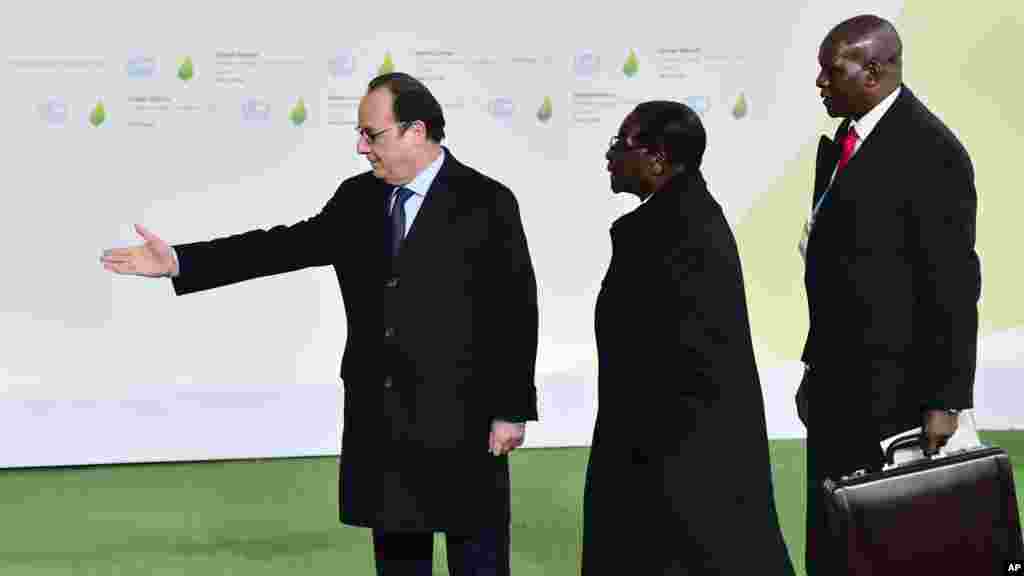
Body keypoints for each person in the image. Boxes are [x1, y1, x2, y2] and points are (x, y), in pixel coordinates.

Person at [101, 72, 539, 576]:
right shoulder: (358, 199)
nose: (360, 148)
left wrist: (510, 409)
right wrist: (181, 261)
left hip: (465, 419)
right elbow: (282, 245)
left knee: (478, 559)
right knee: (398, 560)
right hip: (385, 417)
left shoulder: (488, 201)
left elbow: (515, 309)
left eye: (371, 135)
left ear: (416, 131)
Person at [795, 15, 980, 575]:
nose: (820, 83)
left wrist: (945, 400)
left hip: (893, 399)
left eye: (832, 71)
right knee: (834, 540)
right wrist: (814, 368)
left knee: (887, 548)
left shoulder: (932, 150)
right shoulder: (845, 143)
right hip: (837, 388)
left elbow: (952, 283)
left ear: (873, 71)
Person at [581, 101, 795, 574]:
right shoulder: (678, 221)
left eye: (621, 144)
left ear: (657, 158)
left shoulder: (679, 231)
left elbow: (681, 363)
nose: (609, 156)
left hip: (676, 468)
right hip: (671, 458)